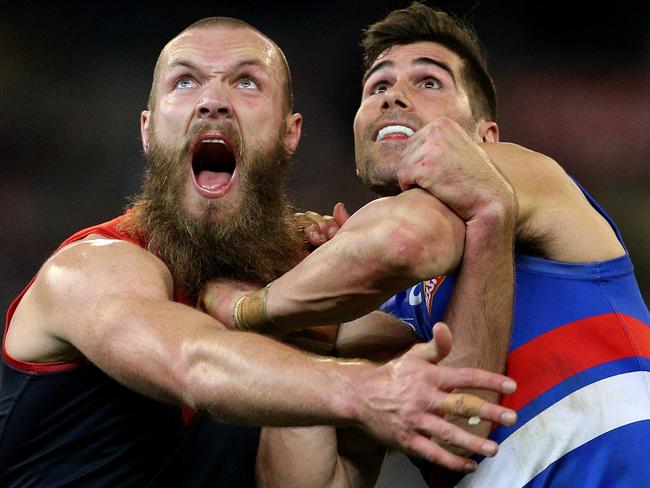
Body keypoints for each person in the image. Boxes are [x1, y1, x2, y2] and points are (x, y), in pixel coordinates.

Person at [0, 16, 521, 487]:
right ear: (147, 129)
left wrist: (299, 316)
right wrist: (362, 389)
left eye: (246, 82)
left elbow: (460, 428)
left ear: (289, 133)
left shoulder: (293, 287)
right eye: (185, 82)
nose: (213, 101)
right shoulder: (88, 269)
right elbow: (194, 364)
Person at [248, 3, 650, 487]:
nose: (393, 96)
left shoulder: (525, 173)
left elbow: (403, 239)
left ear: (486, 134)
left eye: (429, 82)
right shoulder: (385, 318)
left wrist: (252, 306)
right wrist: (300, 326)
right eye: (377, 86)